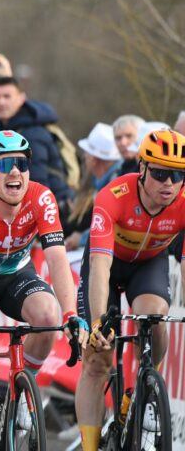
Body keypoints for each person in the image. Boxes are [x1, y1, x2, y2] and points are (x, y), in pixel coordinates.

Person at [0, 130, 87, 451]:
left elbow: (58, 260)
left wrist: (70, 315)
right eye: (5, 164)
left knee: (48, 317)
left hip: (14, 275)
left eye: (21, 164)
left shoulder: (42, 198)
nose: (15, 172)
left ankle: (22, 392)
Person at [75, 128, 185, 450]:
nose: (169, 184)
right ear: (142, 168)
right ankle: (90, 445)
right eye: (161, 173)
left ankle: (145, 385)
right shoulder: (113, 197)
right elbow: (99, 267)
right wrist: (98, 323)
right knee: (98, 359)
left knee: (154, 317)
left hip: (147, 265)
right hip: (107, 267)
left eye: (178, 175)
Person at [0, 76, 74, 206]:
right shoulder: (8, 131)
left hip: (50, 213)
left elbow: (37, 187)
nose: (1, 102)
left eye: (7, 96)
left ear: (21, 98)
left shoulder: (30, 135)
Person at [64, 123, 121, 251]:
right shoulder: (101, 182)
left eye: (87, 152)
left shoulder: (115, 186)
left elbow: (115, 225)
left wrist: (82, 239)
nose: (84, 156)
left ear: (94, 159)